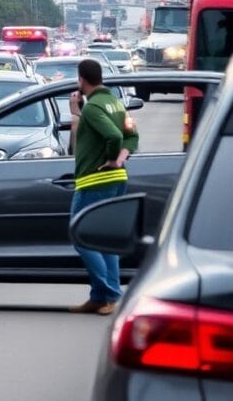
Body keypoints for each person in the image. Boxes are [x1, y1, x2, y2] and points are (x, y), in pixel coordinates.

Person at [68, 58, 138, 316]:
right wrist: (120, 159)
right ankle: (99, 297)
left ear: (81, 79)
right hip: (117, 179)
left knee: (81, 236)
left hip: (95, 181)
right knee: (105, 240)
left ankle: (111, 294)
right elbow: (131, 136)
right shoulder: (116, 103)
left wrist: (110, 158)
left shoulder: (92, 108)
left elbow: (114, 136)